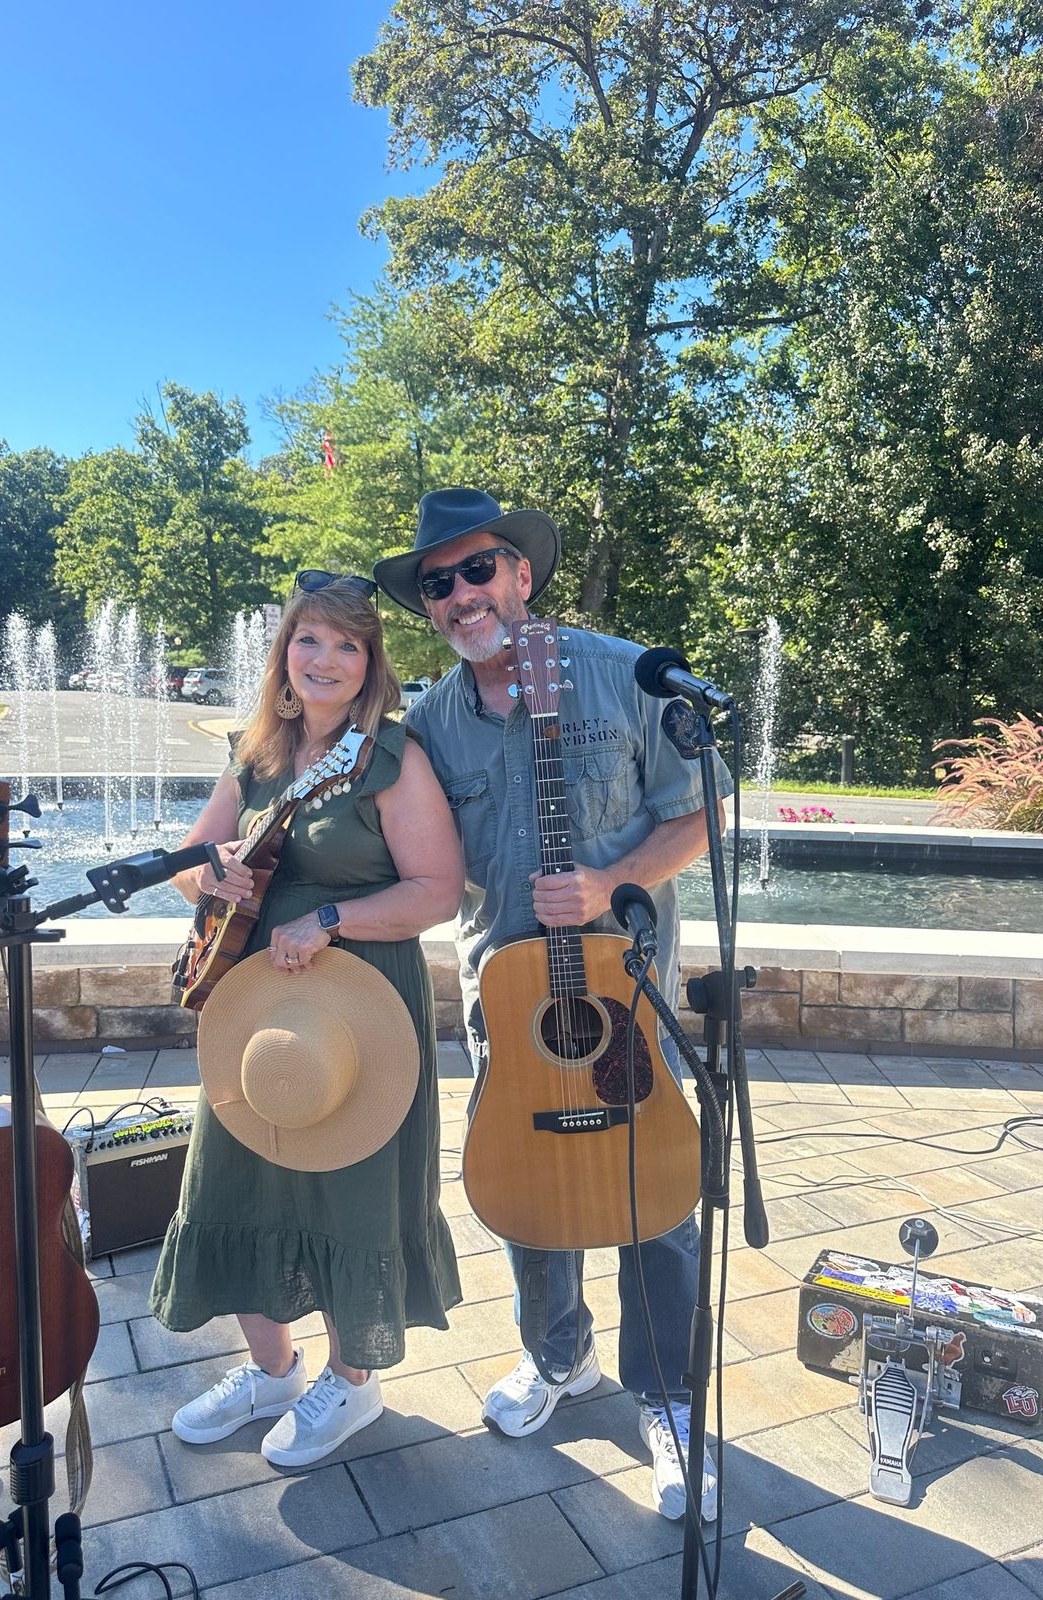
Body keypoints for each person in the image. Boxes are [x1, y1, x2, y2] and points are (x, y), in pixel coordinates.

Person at [374, 489, 732, 1521]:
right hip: (510, 997)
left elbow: (697, 811)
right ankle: (557, 1355)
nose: (460, 595)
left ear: (521, 575)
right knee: (529, 1185)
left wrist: (613, 880)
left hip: (628, 992)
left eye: (477, 570)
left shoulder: (624, 675)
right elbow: (408, 851)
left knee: (655, 1193)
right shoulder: (434, 723)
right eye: (438, 583)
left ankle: (664, 1396)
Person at [150, 571, 464, 1467]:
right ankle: (272, 1370)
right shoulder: (258, 752)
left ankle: (353, 1384)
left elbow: (436, 891)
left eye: (347, 645)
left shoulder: (391, 755)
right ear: (284, 652)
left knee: (350, 1188)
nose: (325, 659)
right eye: (309, 640)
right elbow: (189, 858)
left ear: (371, 665)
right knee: (239, 1173)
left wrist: (328, 917)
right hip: (260, 1005)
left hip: (360, 1001)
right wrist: (211, 877)